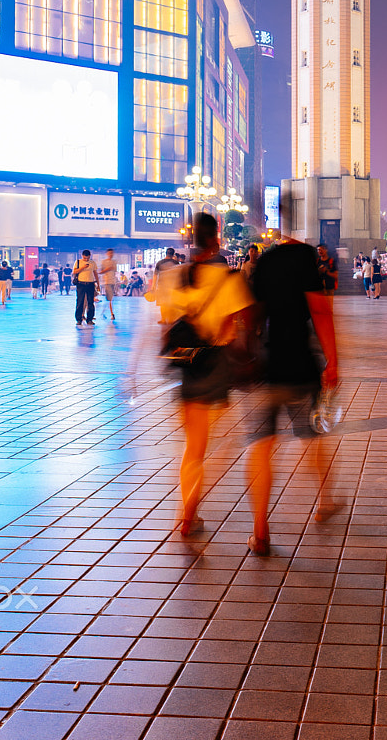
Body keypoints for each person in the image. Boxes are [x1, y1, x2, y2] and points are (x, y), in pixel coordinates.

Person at [246, 229, 340, 557]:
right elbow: (320, 312)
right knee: (312, 436)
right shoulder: (305, 259)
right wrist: (333, 361)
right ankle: (325, 501)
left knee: (261, 446)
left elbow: (252, 312)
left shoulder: (266, 259)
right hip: (301, 364)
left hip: (268, 365)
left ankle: (260, 529)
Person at [163, 213, 254, 540]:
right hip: (215, 366)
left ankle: (188, 514)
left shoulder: (177, 276)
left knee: (193, 448)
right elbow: (232, 330)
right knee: (225, 444)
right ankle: (190, 509)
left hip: (186, 367)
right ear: (217, 241)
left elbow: (168, 319)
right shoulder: (228, 278)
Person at [73, 248, 102, 326]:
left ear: (90, 256)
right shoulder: (78, 262)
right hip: (81, 284)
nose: (86, 259)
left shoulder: (92, 263)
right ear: (82, 256)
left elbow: (95, 273)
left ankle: (90, 319)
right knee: (80, 302)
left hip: (90, 284)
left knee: (90, 302)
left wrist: (98, 284)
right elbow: (74, 271)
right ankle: (79, 319)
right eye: (85, 258)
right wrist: (83, 267)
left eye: (88, 258)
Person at [99, 249, 118, 320]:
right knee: (109, 299)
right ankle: (111, 313)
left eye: (112, 253)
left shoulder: (114, 262)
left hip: (113, 282)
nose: (111, 254)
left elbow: (115, 270)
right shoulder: (103, 262)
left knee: (110, 299)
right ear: (107, 253)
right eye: (110, 253)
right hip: (107, 282)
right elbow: (100, 271)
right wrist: (108, 269)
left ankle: (104, 312)